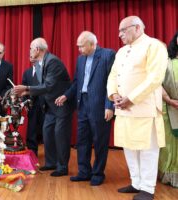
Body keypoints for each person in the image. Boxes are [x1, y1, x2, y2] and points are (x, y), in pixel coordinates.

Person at [107, 16, 168, 200]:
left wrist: (131, 98)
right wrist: (114, 95)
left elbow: (155, 78)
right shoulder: (121, 51)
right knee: (129, 147)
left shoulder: (153, 46)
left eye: (123, 30)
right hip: (124, 109)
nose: (119, 34)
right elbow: (113, 75)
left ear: (137, 27)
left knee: (148, 149)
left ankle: (148, 188)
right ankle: (136, 182)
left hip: (145, 109)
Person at [55, 31, 115, 185]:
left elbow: (113, 82)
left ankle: (98, 174)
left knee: (100, 141)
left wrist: (110, 105)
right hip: (82, 105)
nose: (79, 49)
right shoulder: (80, 60)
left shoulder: (108, 55)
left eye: (81, 46)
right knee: (82, 141)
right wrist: (66, 96)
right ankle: (84, 171)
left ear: (91, 44)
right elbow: (76, 82)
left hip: (100, 105)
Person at [14, 38, 73, 177]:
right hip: (50, 106)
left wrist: (27, 88)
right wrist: (26, 92)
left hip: (61, 105)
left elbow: (48, 86)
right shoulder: (41, 63)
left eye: (30, 48)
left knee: (60, 135)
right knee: (47, 134)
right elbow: (43, 87)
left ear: (37, 50)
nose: (29, 51)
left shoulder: (53, 61)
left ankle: (62, 167)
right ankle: (51, 163)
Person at [158, 31, 178, 188]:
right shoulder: (166, 62)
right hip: (169, 108)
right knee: (170, 143)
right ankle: (170, 175)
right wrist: (170, 100)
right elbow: (158, 84)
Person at [22, 57, 45, 156]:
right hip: (32, 105)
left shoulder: (45, 71)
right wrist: (25, 102)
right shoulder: (27, 72)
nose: (32, 59)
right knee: (32, 129)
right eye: (31, 57)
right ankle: (32, 152)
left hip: (44, 105)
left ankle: (50, 154)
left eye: (35, 57)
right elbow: (23, 89)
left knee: (45, 129)